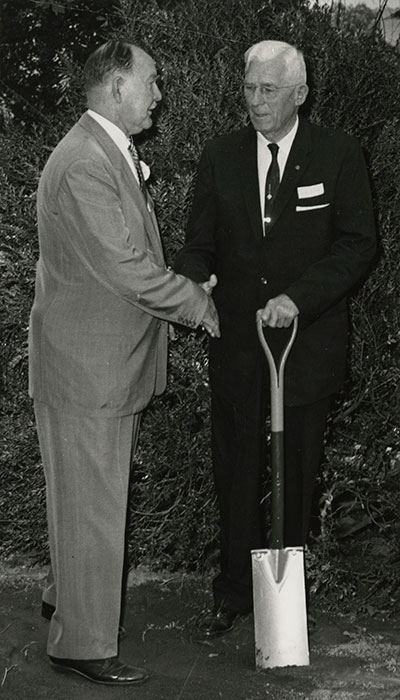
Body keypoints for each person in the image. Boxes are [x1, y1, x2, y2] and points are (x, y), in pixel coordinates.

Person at [28, 40, 219, 685]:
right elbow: (124, 269)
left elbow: (126, 255)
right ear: (116, 87)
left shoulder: (97, 151)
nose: (158, 94)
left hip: (94, 366)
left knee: (84, 499)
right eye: (151, 82)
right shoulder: (85, 162)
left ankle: (66, 600)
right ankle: (80, 644)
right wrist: (195, 302)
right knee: (93, 504)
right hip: (88, 371)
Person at [174, 39, 376, 636]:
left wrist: (300, 297)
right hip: (239, 344)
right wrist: (190, 277)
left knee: (297, 471)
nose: (255, 101)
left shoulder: (338, 155)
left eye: (268, 91)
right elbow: (198, 241)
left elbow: (358, 244)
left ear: (300, 95)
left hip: (305, 346)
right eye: (248, 88)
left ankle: (286, 599)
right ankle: (234, 593)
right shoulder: (221, 156)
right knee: (235, 470)